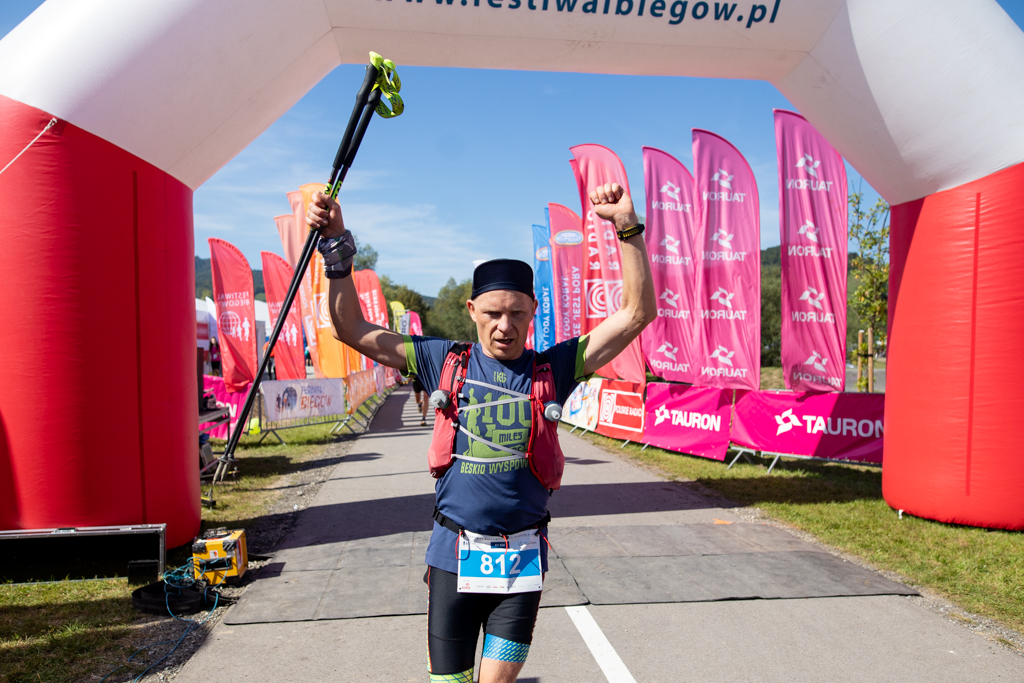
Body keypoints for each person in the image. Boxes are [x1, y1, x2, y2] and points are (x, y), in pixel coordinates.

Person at [306, 183, 655, 683]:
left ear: (534, 310)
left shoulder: (555, 367)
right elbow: (350, 328)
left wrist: (627, 227)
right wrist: (337, 246)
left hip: (520, 563)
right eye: (492, 313)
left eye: (517, 313)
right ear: (472, 311)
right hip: (452, 557)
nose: (504, 326)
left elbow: (637, 313)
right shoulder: (442, 360)